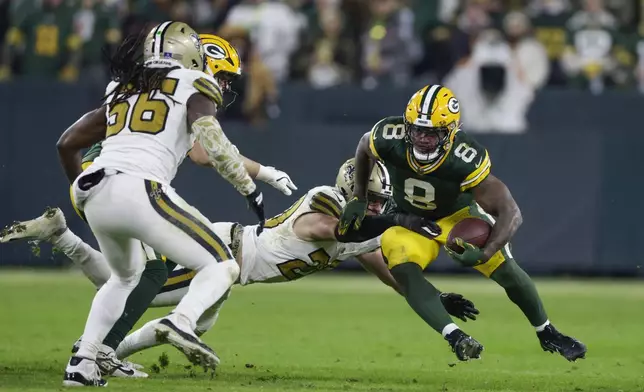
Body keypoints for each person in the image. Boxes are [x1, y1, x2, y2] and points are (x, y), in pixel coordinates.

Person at [1, 158, 480, 372]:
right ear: (355, 193)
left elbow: (385, 268)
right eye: (374, 200)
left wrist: (436, 297)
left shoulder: (363, 229)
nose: (378, 208)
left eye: (382, 202)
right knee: (121, 284)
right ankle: (63, 240)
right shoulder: (326, 203)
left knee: (186, 315)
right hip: (222, 252)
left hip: (233, 267)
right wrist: (410, 223)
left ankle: (108, 352)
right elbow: (328, 232)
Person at [57, 21, 266, 387]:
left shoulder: (121, 87)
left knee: (124, 277)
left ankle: (83, 362)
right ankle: (180, 321)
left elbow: (67, 143)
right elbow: (213, 141)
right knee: (221, 264)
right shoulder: (193, 82)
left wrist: (85, 196)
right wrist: (248, 186)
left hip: (93, 188)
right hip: (138, 186)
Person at [338, 84, 587, 362]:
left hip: (457, 216)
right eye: (417, 130)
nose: (421, 138)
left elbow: (511, 211)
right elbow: (364, 146)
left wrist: (485, 252)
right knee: (402, 265)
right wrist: (359, 198)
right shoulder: (388, 135)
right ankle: (455, 336)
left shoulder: (465, 157)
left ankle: (547, 331)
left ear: (451, 132)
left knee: (506, 270)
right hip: (411, 219)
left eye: (432, 133)